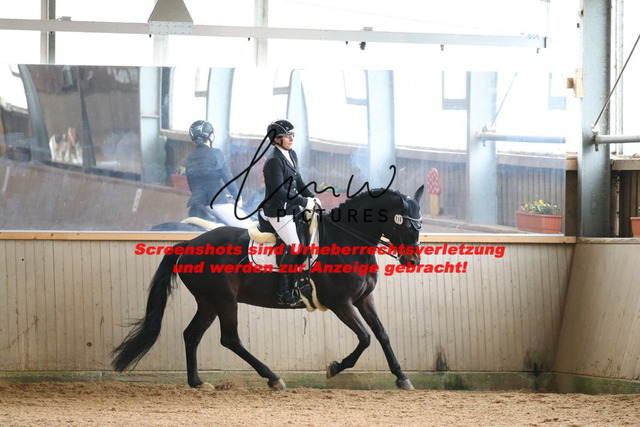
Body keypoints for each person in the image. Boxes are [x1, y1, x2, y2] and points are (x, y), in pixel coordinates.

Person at [262, 119, 320, 306]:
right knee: (295, 246)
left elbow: (298, 181)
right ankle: (283, 291)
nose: (291, 139)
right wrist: (303, 201)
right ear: (276, 139)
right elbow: (279, 191)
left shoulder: (291, 154)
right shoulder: (273, 161)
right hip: (278, 211)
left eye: (292, 135)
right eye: (287, 136)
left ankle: (300, 282)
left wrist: (312, 197)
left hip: (292, 208)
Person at [185, 120, 253, 228]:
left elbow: (192, 186)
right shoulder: (216, 153)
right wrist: (237, 198)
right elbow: (228, 178)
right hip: (216, 203)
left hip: (197, 205)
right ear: (211, 136)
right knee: (249, 227)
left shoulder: (189, 158)